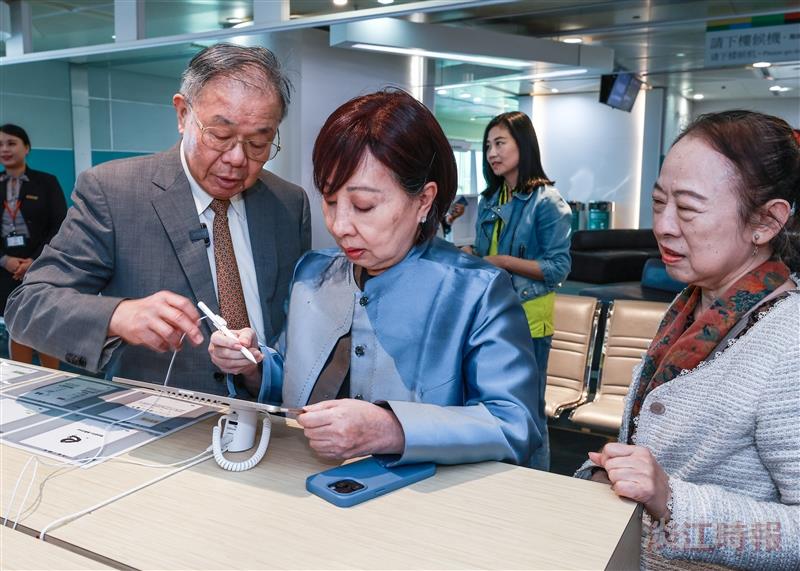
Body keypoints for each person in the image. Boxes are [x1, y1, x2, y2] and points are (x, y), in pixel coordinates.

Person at [209, 90, 544, 467]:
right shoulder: (313, 273)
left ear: (424, 200)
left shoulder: (476, 292)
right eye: (330, 201)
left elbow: (516, 425)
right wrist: (253, 366)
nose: (340, 226)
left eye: (364, 206)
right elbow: (295, 378)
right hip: (303, 484)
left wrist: (391, 428)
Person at [5, 44, 311, 394]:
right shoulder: (113, 192)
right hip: (161, 426)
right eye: (220, 136)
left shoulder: (289, 203)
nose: (238, 159)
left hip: (270, 420)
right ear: (182, 114)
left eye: (259, 143)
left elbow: (296, 327)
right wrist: (119, 316)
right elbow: (28, 307)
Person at [576, 110, 799, 570]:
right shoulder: (692, 306)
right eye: (659, 202)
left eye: (689, 208)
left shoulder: (789, 342)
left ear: (766, 221)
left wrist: (671, 499)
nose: (663, 226)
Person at [465, 111, 571, 470]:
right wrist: (473, 256)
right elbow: (487, 256)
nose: (492, 153)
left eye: (500, 143)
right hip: (491, 314)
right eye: (488, 145)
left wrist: (504, 262)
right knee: (491, 405)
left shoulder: (546, 201)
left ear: (522, 145)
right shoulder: (491, 199)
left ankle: (538, 486)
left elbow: (558, 268)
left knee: (529, 411)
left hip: (529, 320)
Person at [0, 124, 67, 369]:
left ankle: (53, 383)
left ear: (26, 148)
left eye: (11, 143)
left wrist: (36, 261)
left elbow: (60, 226)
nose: (4, 149)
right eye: (0, 145)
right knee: (15, 325)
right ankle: (23, 383)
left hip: (42, 266)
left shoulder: (46, 183)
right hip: (5, 270)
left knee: (44, 323)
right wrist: (4, 260)